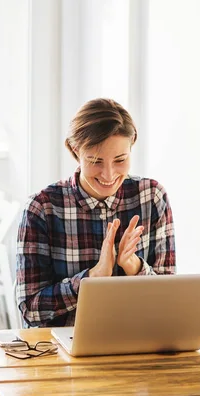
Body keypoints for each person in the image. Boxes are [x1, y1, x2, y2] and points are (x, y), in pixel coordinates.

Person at [16, 98, 176, 327]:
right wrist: (92, 278)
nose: (109, 174)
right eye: (95, 161)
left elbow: (170, 299)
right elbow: (30, 310)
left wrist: (135, 267)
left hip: (138, 341)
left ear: (132, 145)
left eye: (120, 160)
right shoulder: (42, 208)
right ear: (74, 150)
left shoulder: (152, 197)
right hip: (63, 351)